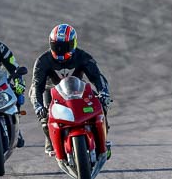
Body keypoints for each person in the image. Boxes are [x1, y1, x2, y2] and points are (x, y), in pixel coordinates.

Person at [32, 23, 112, 156]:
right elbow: (36, 85)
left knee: (101, 105)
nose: (60, 50)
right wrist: (38, 105)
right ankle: (51, 140)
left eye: (65, 46)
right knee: (44, 116)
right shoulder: (42, 60)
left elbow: (97, 77)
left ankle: (103, 140)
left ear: (73, 44)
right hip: (52, 92)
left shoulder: (83, 56)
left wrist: (104, 92)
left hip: (77, 90)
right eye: (56, 46)